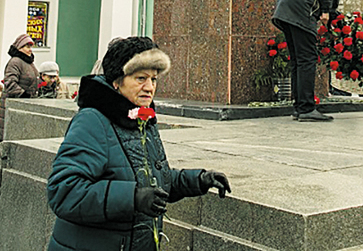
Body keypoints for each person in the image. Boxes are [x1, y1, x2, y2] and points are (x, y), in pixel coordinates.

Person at [47, 37, 231, 251]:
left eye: (154, 79)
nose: (149, 87)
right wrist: (132, 197)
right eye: (140, 78)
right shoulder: (92, 121)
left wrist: (198, 179)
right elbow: (64, 191)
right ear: (117, 81)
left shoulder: (140, 120)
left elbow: (148, 179)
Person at [272, 0, 352, 121]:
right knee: (307, 59)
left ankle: (300, 108)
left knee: (298, 61)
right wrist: (324, 10)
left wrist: (333, 15)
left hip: (287, 7)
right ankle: (307, 108)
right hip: (302, 7)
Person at [3, 34, 40, 98]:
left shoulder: (29, 63)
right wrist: (23, 94)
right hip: (16, 102)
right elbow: (10, 83)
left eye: (31, 47)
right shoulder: (15, 62)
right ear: (19, 48)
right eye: (27, 47)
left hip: (27, 102)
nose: (30, 50)